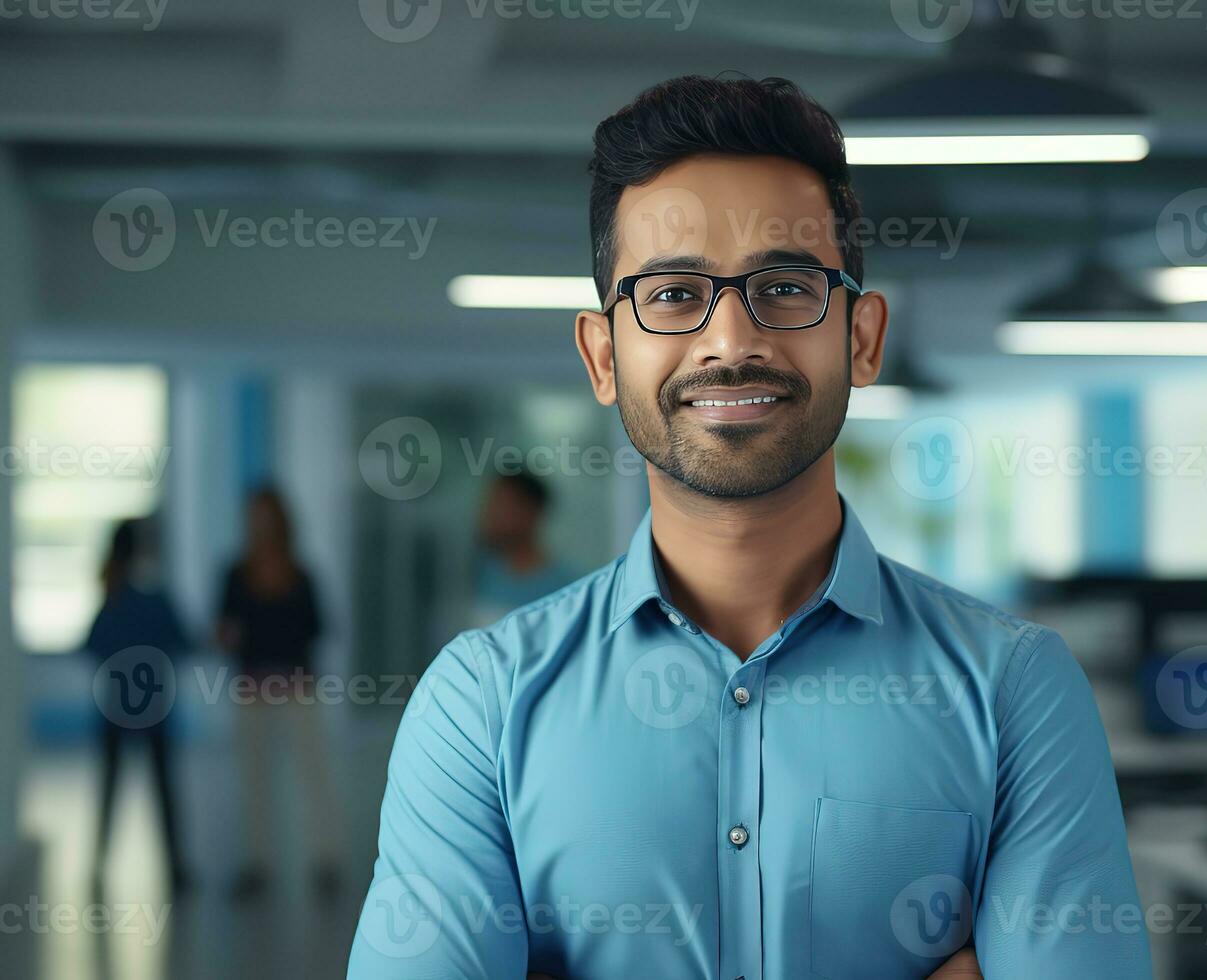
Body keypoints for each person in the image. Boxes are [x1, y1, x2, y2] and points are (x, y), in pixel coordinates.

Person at [350, 75, 1149, 979]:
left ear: (862, 338)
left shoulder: (1016, 691)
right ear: (604, 355)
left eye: (784, 285)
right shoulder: (480, 705)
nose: (731, 340)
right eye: (674, 294)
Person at [215, 485, 342, 900]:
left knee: (313, 775)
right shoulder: (235, 575)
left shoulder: (302, 576)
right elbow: (224, 628)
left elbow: (318, 628)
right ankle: (257, 862)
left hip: (297, 688)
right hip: (252, 688)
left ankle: (326, 858)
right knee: (253, 779)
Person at [85, 516, 190, 892]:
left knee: (110, 788)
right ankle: (176, 868)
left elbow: (91, 646)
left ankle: (98, 864)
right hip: (154, 712)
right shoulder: (155, 601)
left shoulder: (111, 601)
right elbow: (184, 641)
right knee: (164, 790)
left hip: (115, 711)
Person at [470, 473, 576, 627]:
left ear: (530, 513)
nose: (488, 514)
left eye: (500, 505)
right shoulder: (476, 573)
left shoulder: (566, 589)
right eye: (488, 504)